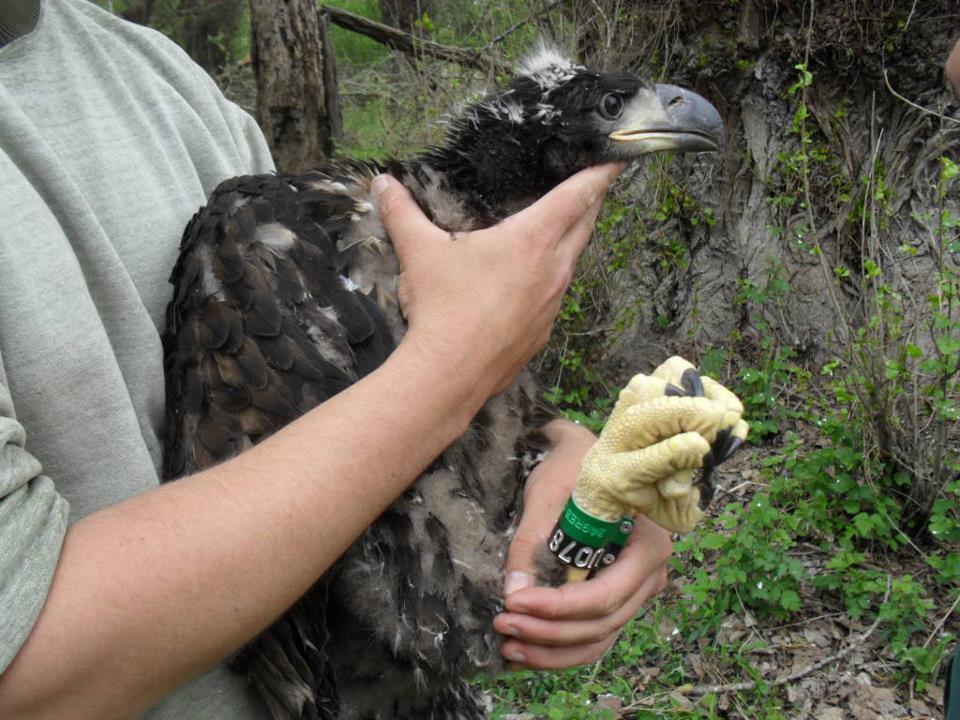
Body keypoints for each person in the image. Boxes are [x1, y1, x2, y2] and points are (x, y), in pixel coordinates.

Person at [0, 1, 671, 717]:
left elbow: (339, 404)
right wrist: (456, 368)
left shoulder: (156, 75)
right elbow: (26, 673)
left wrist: (555, 458)